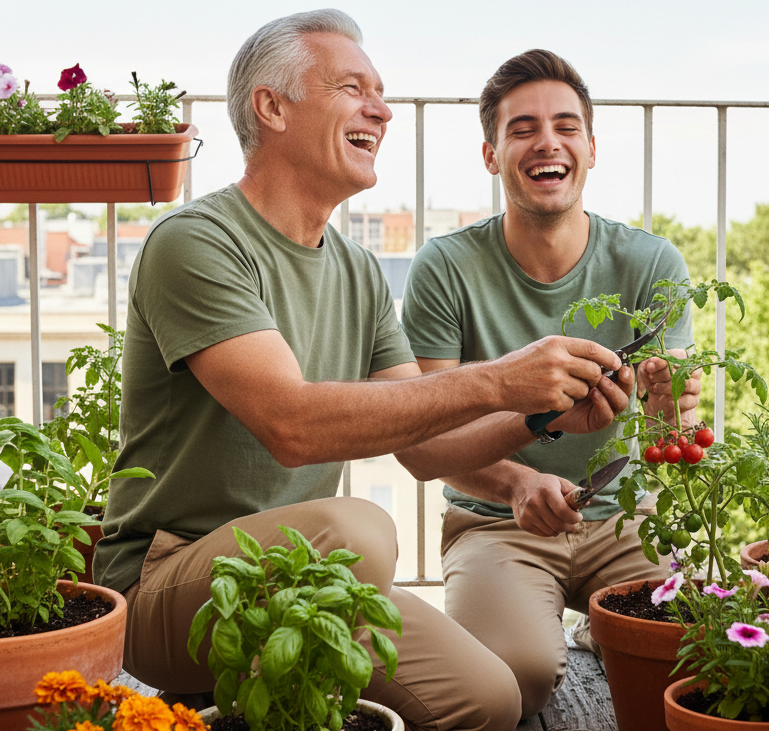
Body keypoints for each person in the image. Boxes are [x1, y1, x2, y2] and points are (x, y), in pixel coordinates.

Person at [93, 14, 636, 731]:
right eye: (353, 87)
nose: (381, 109)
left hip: (307, 580)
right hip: (168, 580)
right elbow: (291, 424)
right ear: (272, 107)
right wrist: (501, 378)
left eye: (381, 92)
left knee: (490, 696)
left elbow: (423, 441)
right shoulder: (197, 243)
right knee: (362, 531)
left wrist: (543, 414)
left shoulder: (357, 271)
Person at [399, 49, 702, 719]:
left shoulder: (653, 262)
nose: (548, 142)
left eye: (567, 126)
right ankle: (553, 625)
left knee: (695, 654)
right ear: (491, 154)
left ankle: (601, 623)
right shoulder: (445, 268)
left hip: (627, 519)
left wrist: (669, 404)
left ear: (591, 149)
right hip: (494, 522)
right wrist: (515, 483)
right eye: (523, 128)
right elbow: (425, 435)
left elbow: (666, 433)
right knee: (517, 681)